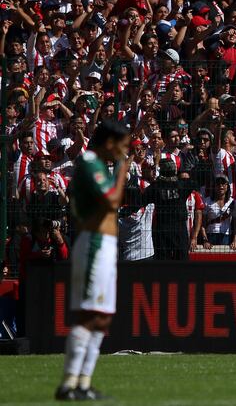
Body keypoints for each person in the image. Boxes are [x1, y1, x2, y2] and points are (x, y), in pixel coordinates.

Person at [57, 120, 132, 401]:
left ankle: (83, 383)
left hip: (107, 246)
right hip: (94, 244)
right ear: (109, 143)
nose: (123, 153)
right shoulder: (89, 162)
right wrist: (123, 169)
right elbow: (111, 201)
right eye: (122, 146)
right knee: (89, 316)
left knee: (101, 318)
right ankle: (69, 382)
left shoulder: (97, 164)